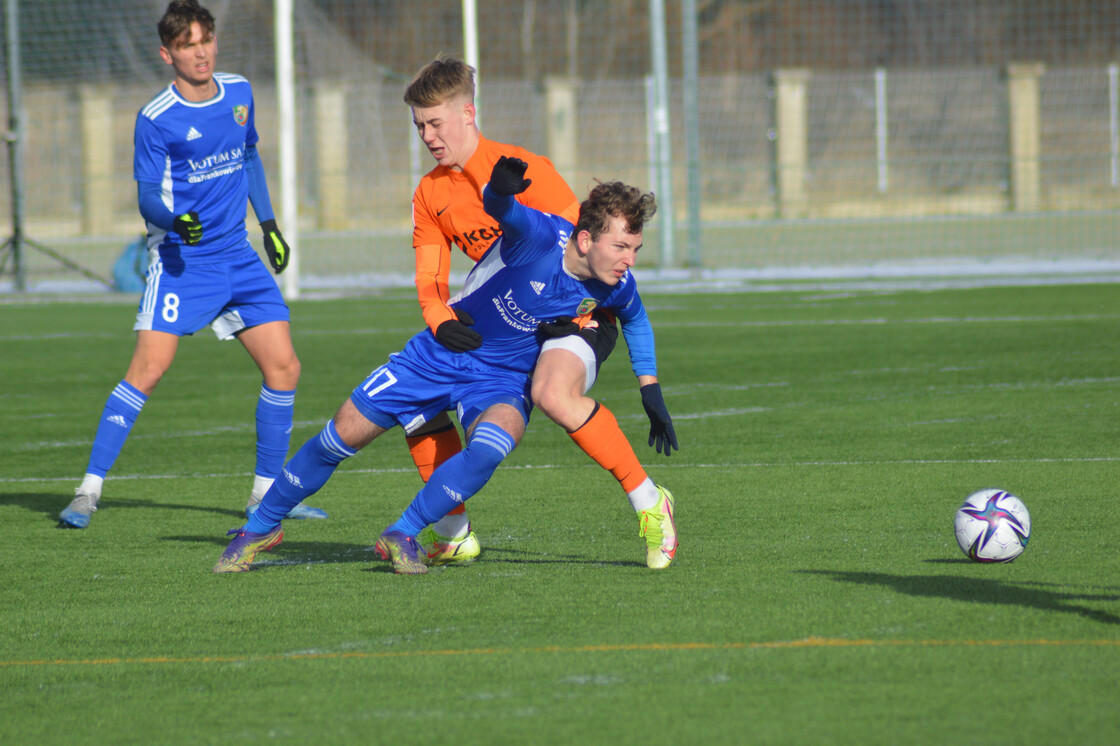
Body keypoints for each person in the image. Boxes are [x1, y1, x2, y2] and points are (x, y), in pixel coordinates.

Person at [213, 157, 678, 574]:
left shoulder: (613, 283)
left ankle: (405, 530)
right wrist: (498, 188)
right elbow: (503, 210)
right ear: (583, 238)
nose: (629, 260)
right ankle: (261, 526)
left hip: (504, 380)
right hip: (442, 354)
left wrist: (649, 388)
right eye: (621, 247)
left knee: (491, 447)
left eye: (634, 249)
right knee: (340, 437)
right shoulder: (539, 238)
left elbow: (635, 319)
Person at [399, 56, 677, 567]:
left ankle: (649, 501)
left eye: (435, 122)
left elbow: (585, 253)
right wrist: (439, 317)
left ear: (468, 114)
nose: (428, 136)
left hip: (581, 314)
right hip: (513, 316)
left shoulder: (528, 171)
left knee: (550, 392)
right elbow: (431, 278)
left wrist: (646, 382)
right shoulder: (432, 193)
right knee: (416, 400)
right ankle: (453, 532)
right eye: (420, 126)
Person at [58, 0, 325, 528]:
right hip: (184, 263)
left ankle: (264, 498)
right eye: (187, 45)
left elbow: (248, 157)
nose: (200, 52)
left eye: (206, 40)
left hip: (240, 259)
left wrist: (268, 225)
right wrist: (176, 221)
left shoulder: (240, 92)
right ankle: (87, 491)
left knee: (284, 367)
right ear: (167, 54)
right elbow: (146, 198)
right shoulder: (156, 118)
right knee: (148, 371)